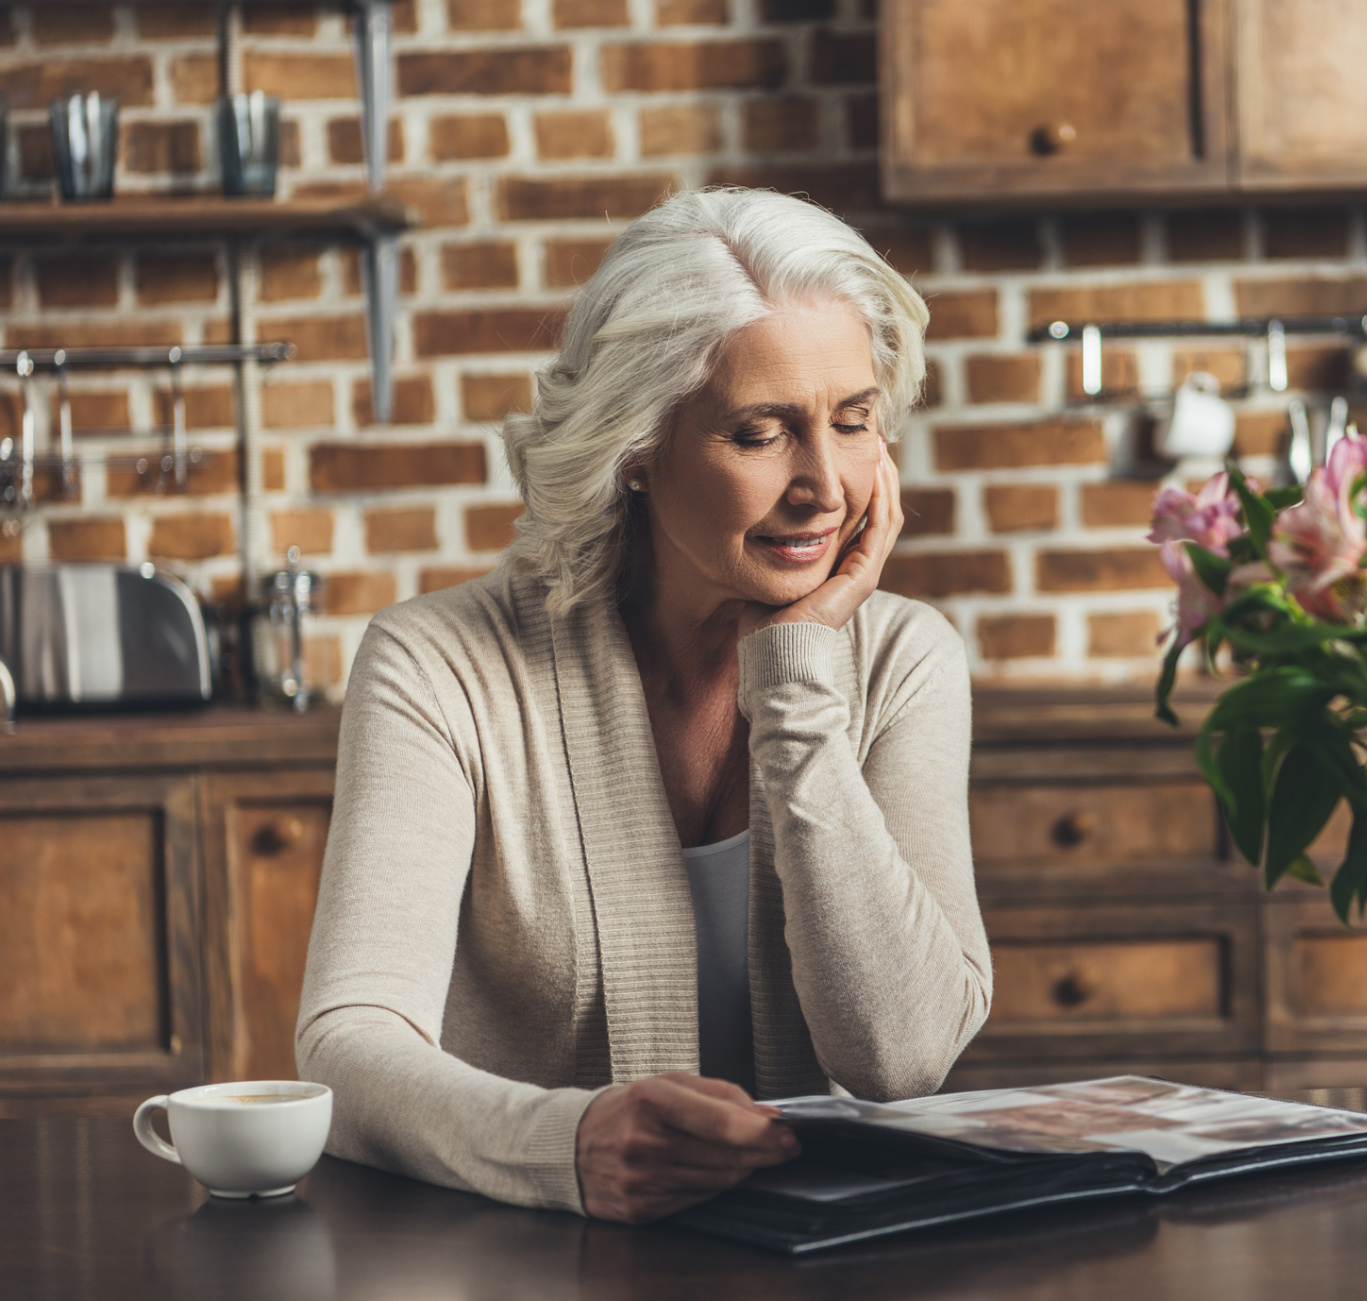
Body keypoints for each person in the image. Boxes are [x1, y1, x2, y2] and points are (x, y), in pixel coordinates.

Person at [295, 187, 992, 1224]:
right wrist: (562, 1142)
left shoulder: (903, 657)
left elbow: (900, 1054)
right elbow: (346, 1048)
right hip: (527, 1256)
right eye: (761, 433)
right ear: (636, 447)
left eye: (851, 424)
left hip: (828, 1267)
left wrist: (797, 679)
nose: (825, 486)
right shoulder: (437, 663)